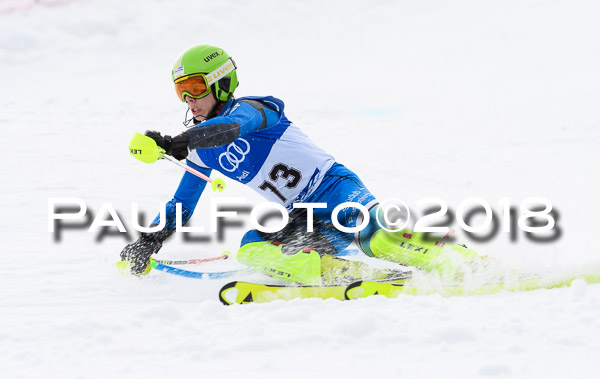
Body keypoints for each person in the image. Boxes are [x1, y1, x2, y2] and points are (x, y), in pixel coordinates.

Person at [119, 44, 478, 284]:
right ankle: (340, 272)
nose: (189, 99)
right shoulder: (200, 151)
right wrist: (149, 240)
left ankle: (467, 265)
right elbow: (181, 205)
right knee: (252, 249)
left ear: (222, 83)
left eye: (196, 87)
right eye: (181, 90)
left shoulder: (259, 108)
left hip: (336, 190)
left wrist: (180, 141)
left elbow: (232, 127)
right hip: (306, 217)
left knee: (379, 241)